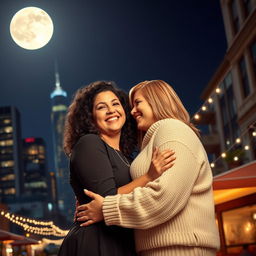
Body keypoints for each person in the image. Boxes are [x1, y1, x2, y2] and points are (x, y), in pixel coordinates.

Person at [76, 80, 220, 255]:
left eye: (137, 103)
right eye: (101, 107)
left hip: (179, 249)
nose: (132, 111)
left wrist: (106, 208)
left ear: (156, 101)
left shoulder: (172, 130)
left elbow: (164, 197)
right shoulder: (153, 140)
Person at [58, 81, 175, 256]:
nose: (111, 110)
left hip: (122, 241)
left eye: (115, 104)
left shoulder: (127, 157)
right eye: (101, 107)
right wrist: (149, 176)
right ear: (90, 116)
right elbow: (108, 199)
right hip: (96, 242)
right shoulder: (90, 143)